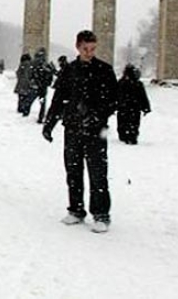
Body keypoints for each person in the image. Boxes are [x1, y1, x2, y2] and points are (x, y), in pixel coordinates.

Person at [42, 30, 118, 233]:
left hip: (96, 130)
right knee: (73, 171)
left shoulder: (104, 70)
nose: (89, 53)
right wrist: (49, 124)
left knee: (97, 173)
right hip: (73, 128)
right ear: (78, 47)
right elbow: (59, 99)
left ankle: (101, 214)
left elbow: (113, 100)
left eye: (92, 49)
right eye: (85, 49)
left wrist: (97, 115)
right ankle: (76, 209)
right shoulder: (69, 70)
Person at [116, 63, 151, 144]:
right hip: (135, 108)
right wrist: (146, 107)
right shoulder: (138, 84)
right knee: (134, 123)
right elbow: (143, 97)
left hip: (123, 108)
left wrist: (114, 105)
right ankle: (132, 136)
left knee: (122, 122)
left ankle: (124, 135)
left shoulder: (121, 82)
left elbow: (116, 95)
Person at [30, 47, 56, 123]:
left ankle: (25, 110)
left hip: (36, 84)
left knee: (30, 99)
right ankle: (41, 117)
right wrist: (48, 81)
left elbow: (32, 72)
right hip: (43, 85)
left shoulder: (34, 62)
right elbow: (50, 73)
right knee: (42, 102)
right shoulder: (45, 63)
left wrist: (33, 80)